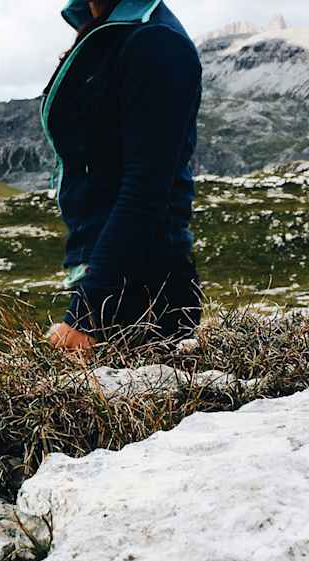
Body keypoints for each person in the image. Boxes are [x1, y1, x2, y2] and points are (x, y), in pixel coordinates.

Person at [42, 0, 204, 353]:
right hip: (113, 281)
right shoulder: (106, 28)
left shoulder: (157, 41)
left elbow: (146, 190)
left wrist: (88, 315)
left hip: (143, 292)